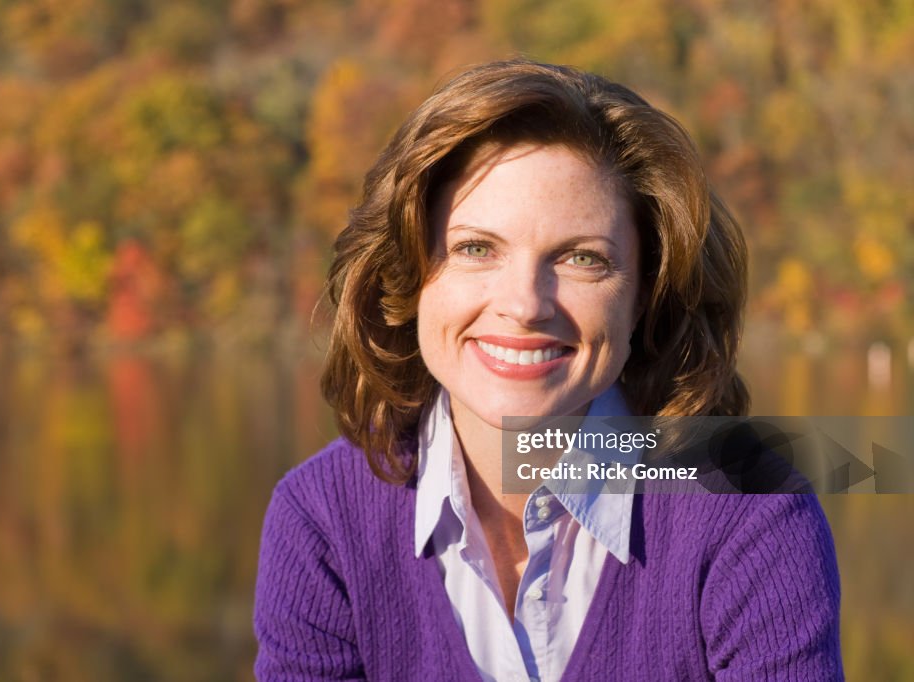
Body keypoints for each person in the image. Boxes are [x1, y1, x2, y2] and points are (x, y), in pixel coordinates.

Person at [254, 59, 842, 681]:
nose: (525, 304)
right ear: (407, 274)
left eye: (582, 258)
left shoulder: (749, 511)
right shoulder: (321, 520)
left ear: (645, 293)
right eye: (476, 249)